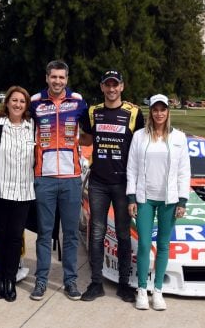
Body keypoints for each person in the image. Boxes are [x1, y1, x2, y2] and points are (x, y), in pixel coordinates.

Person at [78, 70, 144, 302]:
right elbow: (85, 138)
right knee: (96, 233)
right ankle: (96, 283)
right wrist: (67, 136)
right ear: (102, 87)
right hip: (98, 182)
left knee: (124, 235)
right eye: (108, 85)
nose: (112, 89)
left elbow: (141, 147)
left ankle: (124, 285)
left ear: (122, 87)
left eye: (115, 85)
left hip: (124, 184)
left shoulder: (134, 112)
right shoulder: (93, 111)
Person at [29, 60, 88, 301]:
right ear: (46, 78)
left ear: (66, 79)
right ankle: (41, 281)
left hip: (72, 177)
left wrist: (77, 144)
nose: (57, 81)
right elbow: (14, 118)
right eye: (53, 77)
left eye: (61, 78)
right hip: (44, 177)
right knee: (44, 233)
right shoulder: (34, 102)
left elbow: (90, 132)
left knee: (71, 234)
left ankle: (70, 281)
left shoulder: (77, 101)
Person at [126, 94, 190, 311]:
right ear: (150, 112)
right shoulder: (139, 137)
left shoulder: (180, 138)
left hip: (169, 200)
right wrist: (131, 197)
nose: (159, 113)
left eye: (163, 109)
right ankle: (142, 290)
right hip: (145, 198)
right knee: (144, 243)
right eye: (155, 109)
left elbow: (184, 172)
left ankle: (158, 291)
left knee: (163, 245)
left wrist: (182, 200)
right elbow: (131, 168)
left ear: (168, 112)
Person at [0, 86, 35, 302]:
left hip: (23, 191)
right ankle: (0, 279)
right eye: (14, 100)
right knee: (1, 237)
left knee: (15, 238)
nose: (18, 105)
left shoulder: (32, 126)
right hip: (1, 190)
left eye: (22, 101)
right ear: (7, 102)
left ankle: (10, 280)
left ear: (26, 105)